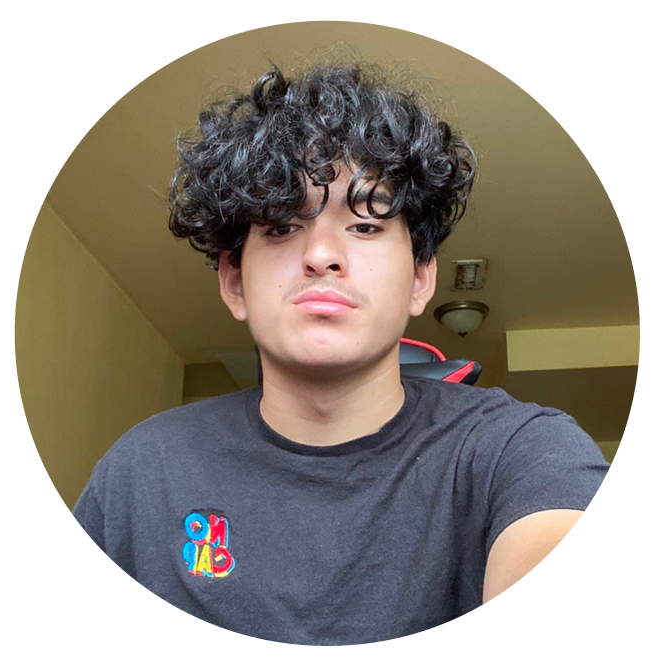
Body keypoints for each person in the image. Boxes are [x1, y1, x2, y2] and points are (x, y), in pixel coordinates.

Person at [72, 62, 609, 645]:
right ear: (234, 282)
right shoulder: (141, 472)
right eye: (282, 226)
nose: (322, 254)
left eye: (367, 224)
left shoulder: (521, 451)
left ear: (420, 279)